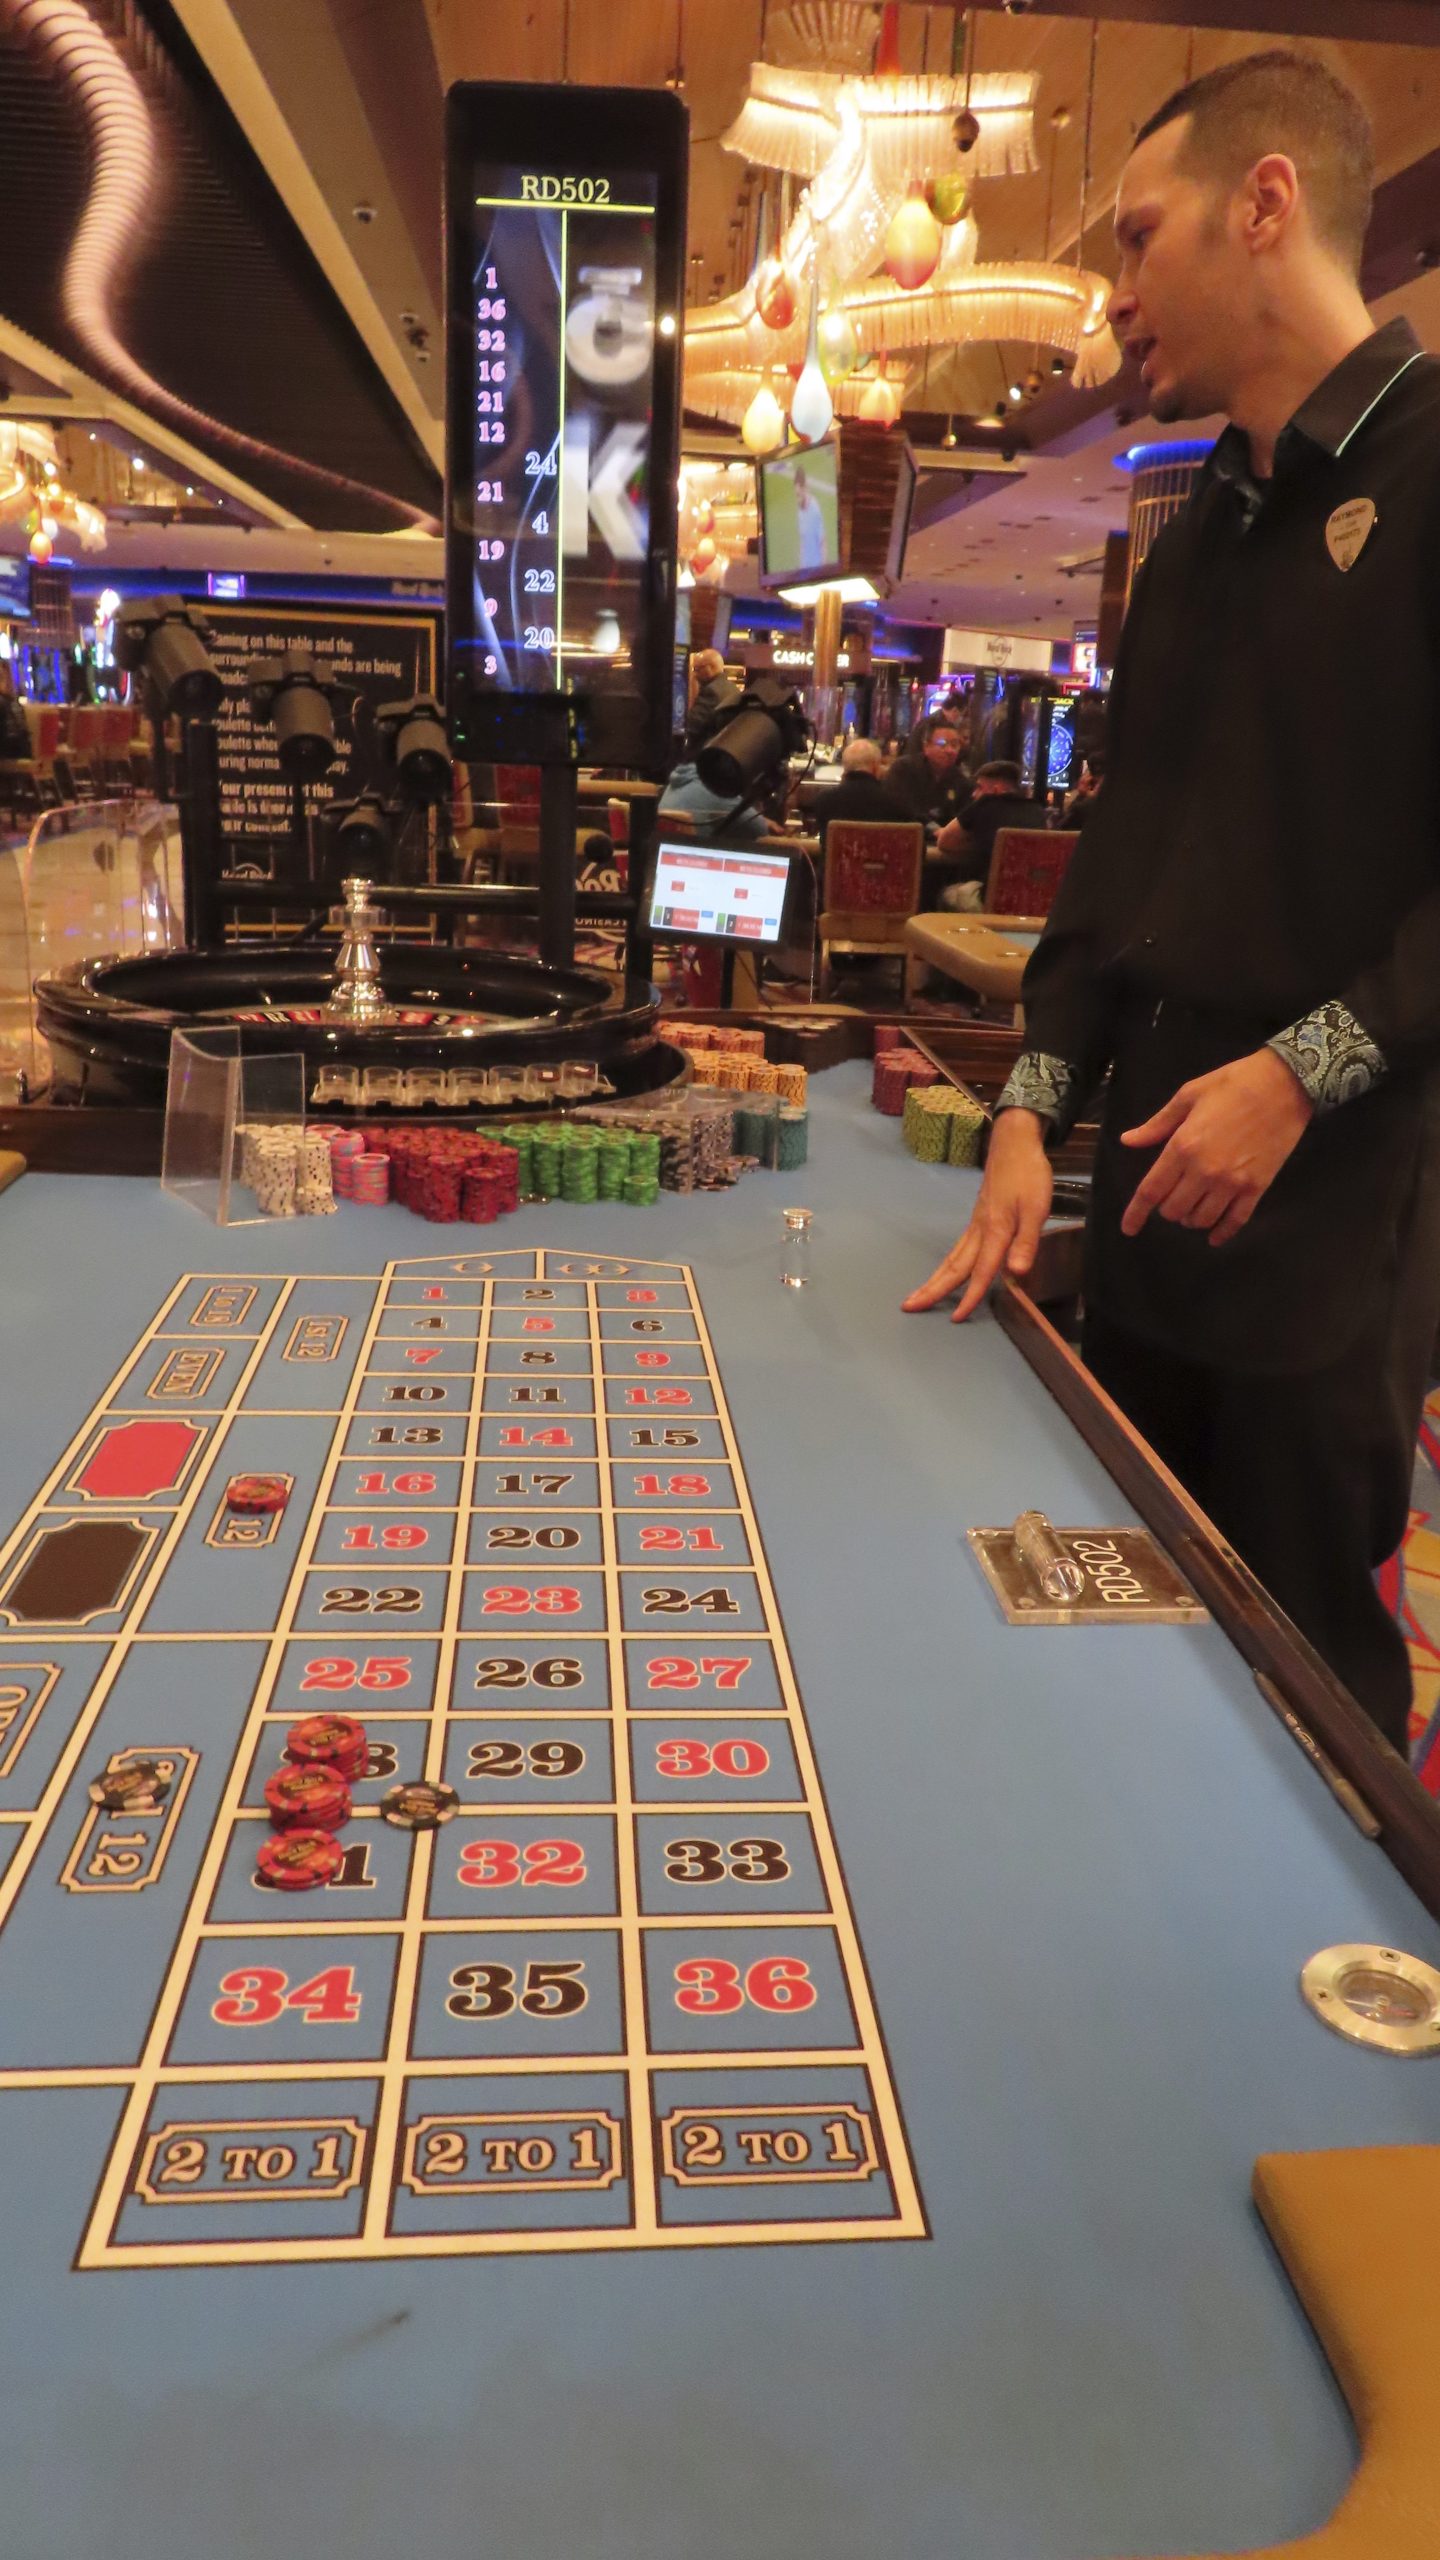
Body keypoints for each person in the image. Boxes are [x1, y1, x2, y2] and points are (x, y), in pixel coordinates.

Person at [904, 49, 1440, 1755]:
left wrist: (1304, 1070)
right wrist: (1030, 1106)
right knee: (1125, 1653)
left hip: (1330, 1232)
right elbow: (1127, 851)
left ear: (1264, 203)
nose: (1117, 299)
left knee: (1300, 1709)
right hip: (1142, 1213)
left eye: (1138, 240)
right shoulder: (1201, 516)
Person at [933, 758, 1046, 909]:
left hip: (990, 897)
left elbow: (945, 841)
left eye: (979, 787)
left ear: (996, 790)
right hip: (1033, 899)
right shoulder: (1037, 810)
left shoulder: (986, 803)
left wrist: (978, 844)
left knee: (948, 894)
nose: (974, 794)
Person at [883, 715, 970, 845]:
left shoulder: (960, 779)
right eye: (942, 744)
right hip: (904, 841)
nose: (949, 750)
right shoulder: (903, 769)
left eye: (954, 745)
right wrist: (934, 829)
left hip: (945, 847)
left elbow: (964, 816)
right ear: (926, 747)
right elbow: (902, 810)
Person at [815, 735, 896, 846]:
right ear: (875, 767)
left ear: (845, 768)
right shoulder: (893, 802)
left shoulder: (824, 801)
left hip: (838, 863)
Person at [683, 648, 741, 757]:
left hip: (703, 758)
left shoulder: (711, 692)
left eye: (697, 669)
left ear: (710, 667)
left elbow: (692, 726)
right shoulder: (732, 688)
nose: (695, 674)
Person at [793, 466, 828, 571]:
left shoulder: (814, 510)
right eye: (796, 495)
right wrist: (801, 565)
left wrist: (823, 572)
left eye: (799, 495)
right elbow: (802, 540)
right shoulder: (800, 510)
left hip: (816, 569)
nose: (797, 499)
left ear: (804, 489)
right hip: (805, 569)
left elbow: (823, 542)